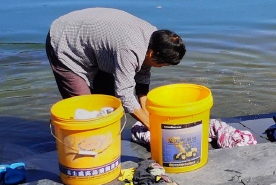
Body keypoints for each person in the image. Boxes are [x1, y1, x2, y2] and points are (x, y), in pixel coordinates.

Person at [46, 7, 185, 129]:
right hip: (66, 43)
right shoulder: (130, 49)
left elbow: (143, 72)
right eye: (162, 64)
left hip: (93, 45)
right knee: (86, 111)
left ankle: (104, 138)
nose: (160, 67)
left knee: (110, 103)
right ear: (151, 53)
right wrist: (151, 125)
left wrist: (146, 110)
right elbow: (124, 94)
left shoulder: (155, 39)